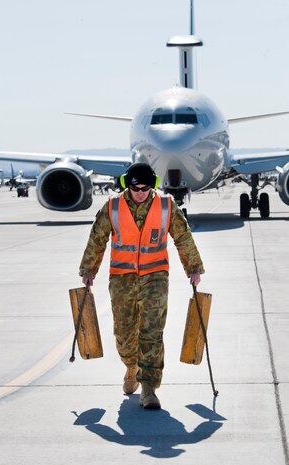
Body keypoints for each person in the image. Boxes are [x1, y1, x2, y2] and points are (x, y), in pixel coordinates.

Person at [79, 162, 204, 409]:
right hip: (122, 278)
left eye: (145, 188)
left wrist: (193, 268)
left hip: (155, 276)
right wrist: (88, 270)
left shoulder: (167, 206)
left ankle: (149, 388)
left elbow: (182, 237)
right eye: (135, 188)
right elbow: (97, 239)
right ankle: (131, 366)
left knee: (152, 331)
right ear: (127, 185)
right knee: (124, 335)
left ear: (153, 186)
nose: (140, 193)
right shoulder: (113, 207)